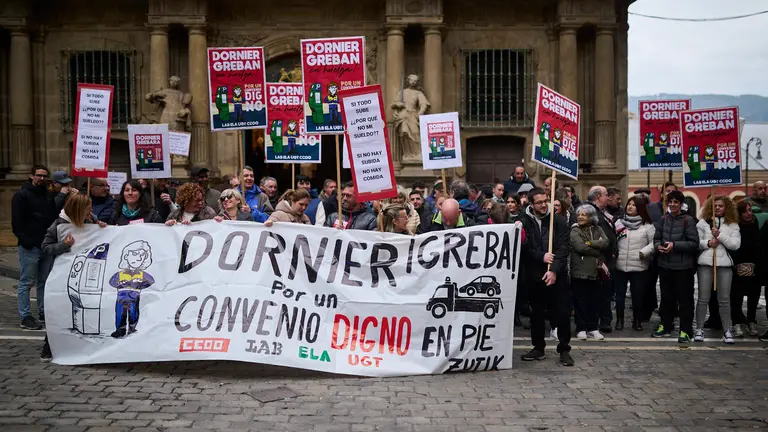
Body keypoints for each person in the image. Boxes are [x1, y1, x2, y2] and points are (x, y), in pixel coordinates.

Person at [39, 192, 107, 361]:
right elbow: (45, 248)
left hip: (85, 274)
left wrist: (100, 227)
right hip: (63, 273)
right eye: (87, 208)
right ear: (77, 210)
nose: (90, 211)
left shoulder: (90, 219)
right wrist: (64, 245)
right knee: (59, 309)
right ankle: (49, 345)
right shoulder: (59, 224)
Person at [519, 187, 573, 366]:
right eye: (539, 202)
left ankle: (564, 348)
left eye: (545, 201)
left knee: (562, 313)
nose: (544, 205)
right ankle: (538, 347)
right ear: (531, 204)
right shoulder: (523, 222)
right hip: (535, 276)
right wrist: (540, 256)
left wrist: (554, 270)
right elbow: (523, 249)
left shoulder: (558, 221)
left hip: (557, 276)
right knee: (537, 314)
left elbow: (563, 248)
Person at [11, 165, 57, 330]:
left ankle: (43, 312)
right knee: (26, 282)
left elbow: (53, 216)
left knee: (44, 281)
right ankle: (26, 316)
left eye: (45, 176)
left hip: (46, 245)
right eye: (39, 175)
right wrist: (26, 241)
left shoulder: (48, 195)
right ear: (32, 176)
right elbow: (16, 222)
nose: (42, 179)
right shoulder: (21, 195)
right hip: (30, 246)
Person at [652, 190, 699, 343]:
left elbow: (694, 243)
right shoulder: (663, 219)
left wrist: (675, 246)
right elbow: (657, 238)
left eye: (675, 202)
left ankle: (685, 330)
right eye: (670, 202)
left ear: (681, 204)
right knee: (666, 299)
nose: (672, 205)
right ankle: (665, 325)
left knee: (685, 300)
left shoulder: (688, 220)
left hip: (683, 268)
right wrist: (658, 246)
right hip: (665, 265)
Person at [694, 195, 741, 344]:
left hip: (725, 265)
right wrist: (708, 243)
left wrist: (719, 236)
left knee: (724, 299)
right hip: (705, 264)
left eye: (721, 206)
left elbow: (735, 245)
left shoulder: (733, 224)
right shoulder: (702, 223)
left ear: (726, 207)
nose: (718, 208)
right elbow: (696, 242)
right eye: (715, 206)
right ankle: (699, 329)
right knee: (703, 298)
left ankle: (727, 330)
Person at [614, 196, 655, 332]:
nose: (630, 207)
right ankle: (619, 321)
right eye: (629, 204)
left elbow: (654, 243)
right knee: (619, 296)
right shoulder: (619, 223)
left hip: (639, 265)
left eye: (634, 205)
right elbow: (613, 240)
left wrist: (644, 252)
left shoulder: (648, 226)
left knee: (637, 296)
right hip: (620, 264)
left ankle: (637, 321)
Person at [570, 204, 610, 341]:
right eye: (579, 214)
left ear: (591, 217)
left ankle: (593, 328)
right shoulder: (575, 230)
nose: (580, 217)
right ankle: (581, 328)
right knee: (581, 301)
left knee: (594, 301)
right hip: (579, 271)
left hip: (595, 272)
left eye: (584, 214)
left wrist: (589, 243)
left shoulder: (597, 229)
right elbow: (580, 247)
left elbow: (606, 242)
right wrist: (596, 250)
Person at [585, 186, 617, 333]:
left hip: (606, 259)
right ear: (598, 196)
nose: (608, 198)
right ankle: (599, 321)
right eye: (606, 195)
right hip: (597, 259)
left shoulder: (603, 213)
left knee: (605, 292)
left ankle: (604, 320)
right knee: (598, 293)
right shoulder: (588, 211)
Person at [731, 201, 762, 338]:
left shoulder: (755, 224)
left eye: (750, 210)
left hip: (754, 265)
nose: (749, 213)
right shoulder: (735, 226)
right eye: (746, 211)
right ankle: (736, 322)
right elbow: (734, 246)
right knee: (736, 296)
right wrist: (737, 263)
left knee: (753, 295)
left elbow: (758, 245)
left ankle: (751, 320)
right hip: (738, 265)